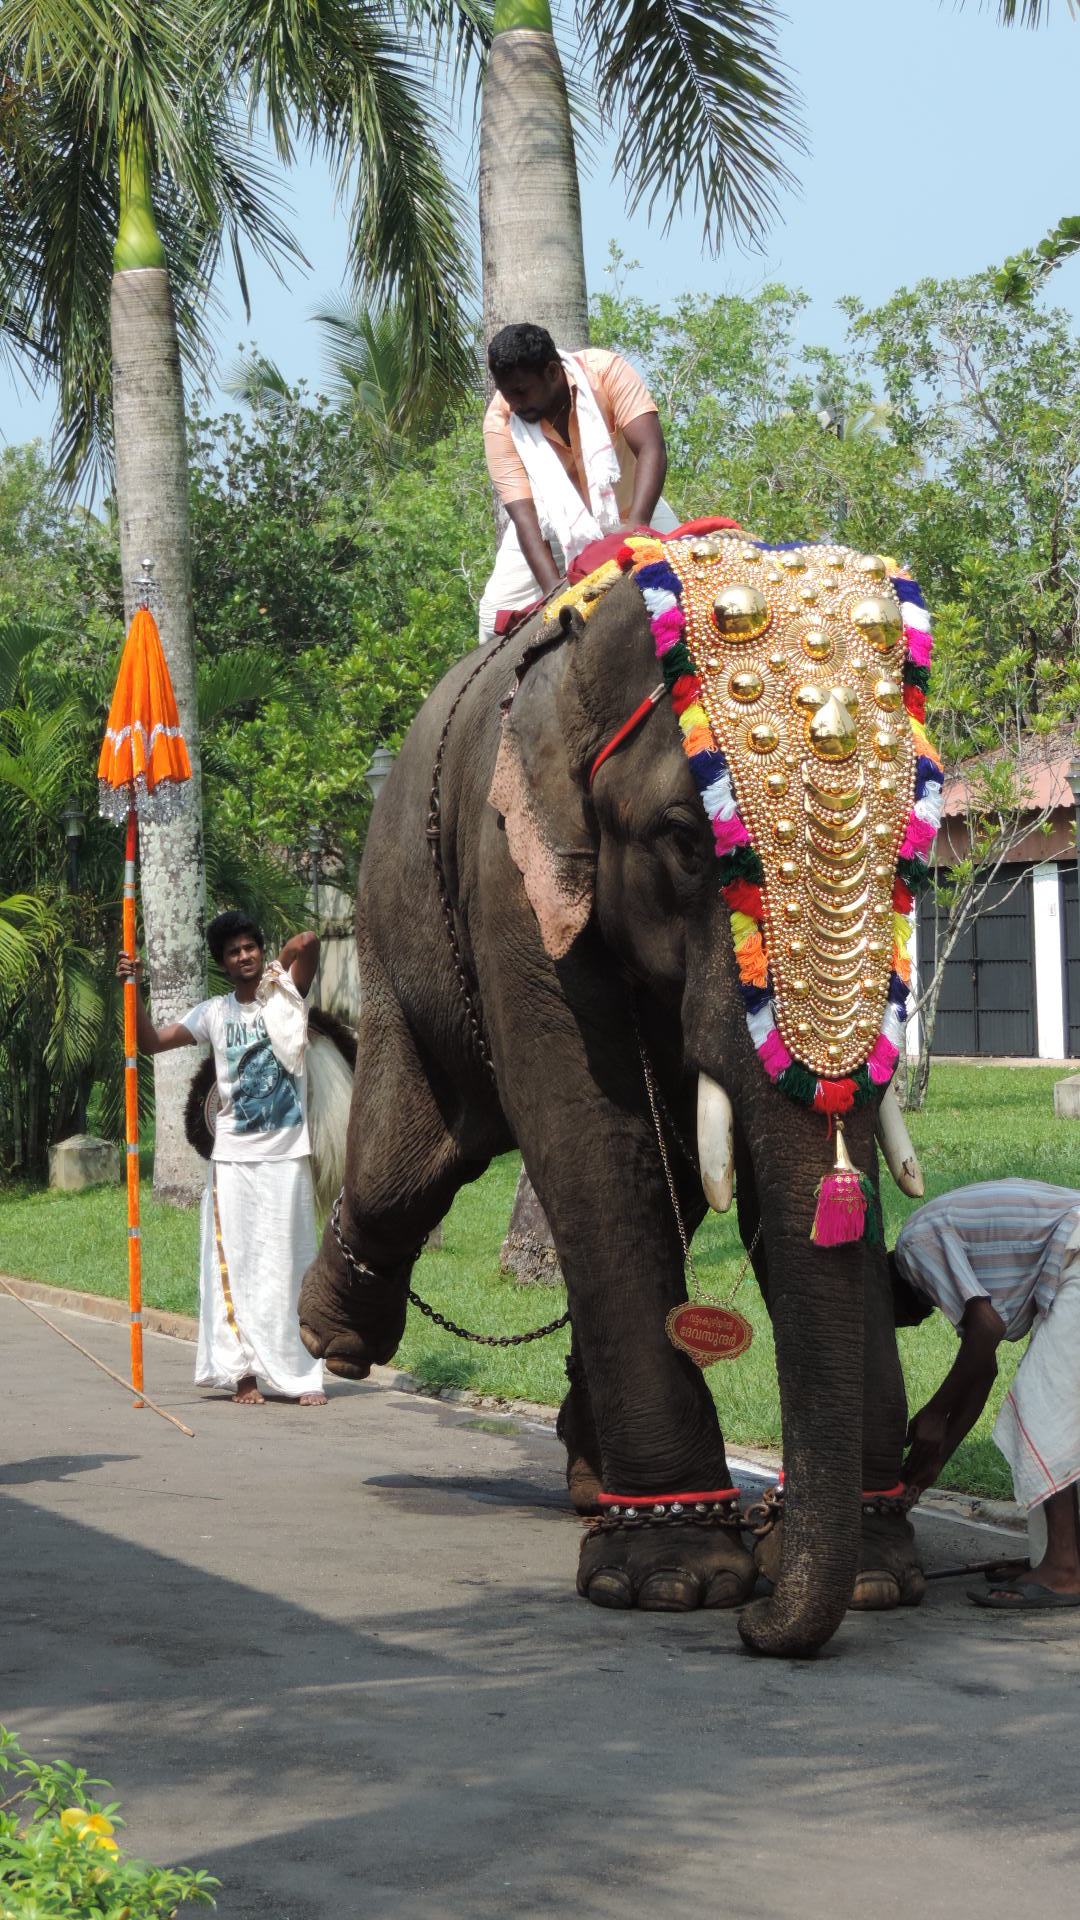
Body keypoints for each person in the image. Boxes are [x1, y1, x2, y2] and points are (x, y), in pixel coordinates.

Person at [120, 911, 327, 1407]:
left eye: (250, 947)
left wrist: (276, 968)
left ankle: (300, 1377)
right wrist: (131, 987)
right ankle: (243, 1375)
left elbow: (310, 940)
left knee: (291, 1262)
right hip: (232, 1159)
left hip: (286, 1155)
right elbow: (150, 1043)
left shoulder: (286, 991)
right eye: (234, 952)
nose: (244, 956)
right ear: (223, 963)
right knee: (234, 1265)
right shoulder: (214, 1013)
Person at [895, 1179, 1080, 1608]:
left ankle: (1065, 1570)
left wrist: (933, 1414)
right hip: (1072, 1253)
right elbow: (985, 1367)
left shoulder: (913, 1247)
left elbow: (987, 1331)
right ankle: (1060, 1558)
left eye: (898, 1321)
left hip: (1075, 1251)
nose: (916, 1321)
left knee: (1040, 1405)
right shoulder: (930, 1244)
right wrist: (937, 1457)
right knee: (1063, 1419)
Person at [478, 322, 681, 643]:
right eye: (505, 393)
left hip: (635, 508)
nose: (513, 404)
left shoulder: (607, 372)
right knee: (492, 617)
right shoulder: (501, 422)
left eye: (520, 391)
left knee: (689, 583)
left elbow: (651, 448)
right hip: (553, 527)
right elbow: (525, 520)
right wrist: (554, 594)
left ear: (552, 372)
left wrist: (637, 527)